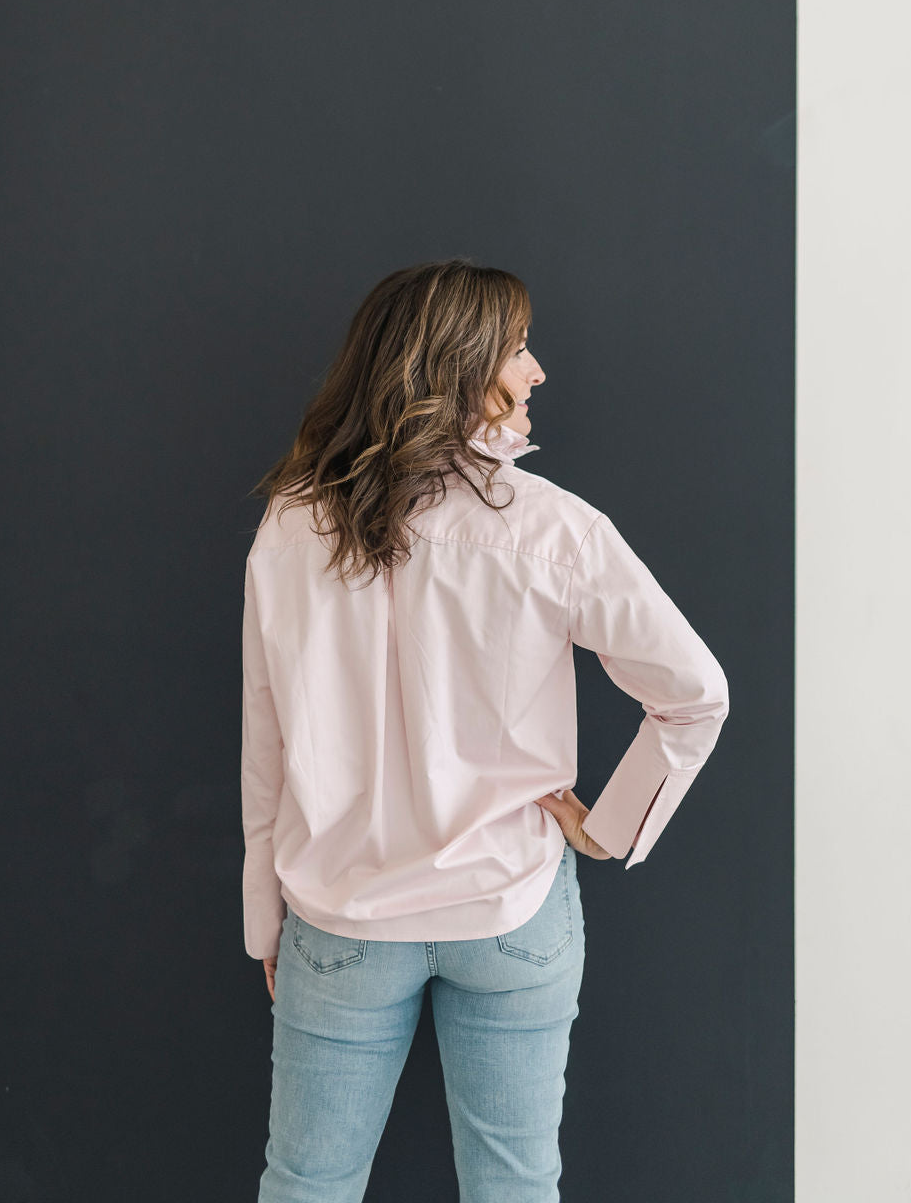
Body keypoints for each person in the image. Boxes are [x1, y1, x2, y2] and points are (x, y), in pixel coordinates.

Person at [241, 257, 729, 1202]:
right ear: (455, 364)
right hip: (513, 907)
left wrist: (265, 915)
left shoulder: (291, 525)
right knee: (515, 1188)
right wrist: (611, 826)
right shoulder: (550, 529)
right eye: (514, 346)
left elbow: (268, 741)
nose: (538, 369)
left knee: (307, 1185)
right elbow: (695, 691)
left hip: (340, 918)